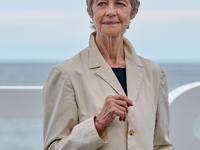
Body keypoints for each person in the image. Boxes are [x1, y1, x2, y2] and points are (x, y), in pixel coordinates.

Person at [43, 0, 174, 149]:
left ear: (134, 11)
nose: (110, 12)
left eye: (120, 3)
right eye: (102, 3)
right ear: (89, 10)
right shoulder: (66, 74)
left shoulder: (155, 73)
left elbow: (161, 145)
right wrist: (97, 124)